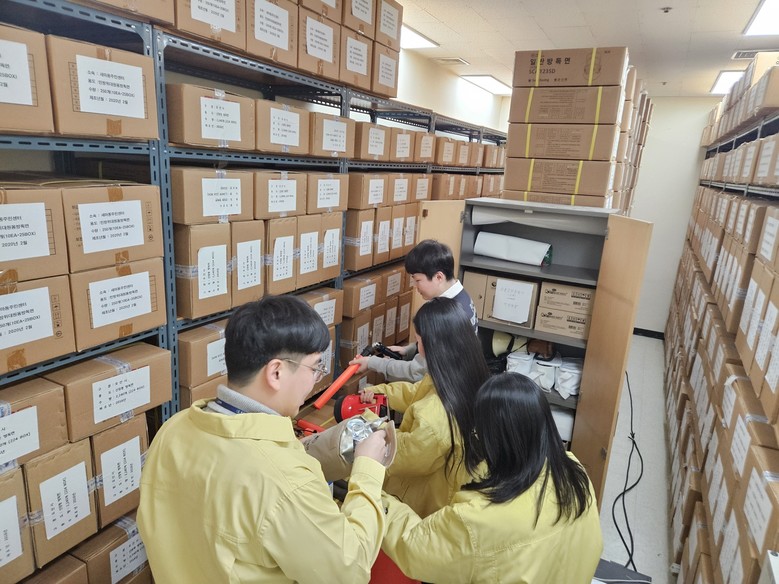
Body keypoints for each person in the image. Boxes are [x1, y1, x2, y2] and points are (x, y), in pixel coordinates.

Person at [137, 296, 389, 584]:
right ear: (276, 372)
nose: (316, 380)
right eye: (315, 368)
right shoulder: (284, 482)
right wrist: (367, 470)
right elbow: (349, 571)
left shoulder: (173, 429)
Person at [380, 372, 604, 583]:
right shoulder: (573, 470)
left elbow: (414, 547)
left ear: (494, 439)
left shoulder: (479, 519)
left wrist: (375, 494)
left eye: (478, 432)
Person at [358, 297, 490, 518]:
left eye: (418, 341)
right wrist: (382, 394)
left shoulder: (434, 418)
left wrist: (370, 423)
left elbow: (400, 457)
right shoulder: (461, 375)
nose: (418, 350)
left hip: (423, 502)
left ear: (433, 345)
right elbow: (415, 392)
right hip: (441, 480)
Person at [350, 239, 478, 382]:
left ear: (438, 277)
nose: (415, 287)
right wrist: (409, 350)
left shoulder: (446, 314)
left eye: (418, 280)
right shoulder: (462, 297)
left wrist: (372, 363)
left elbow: (418, 370)